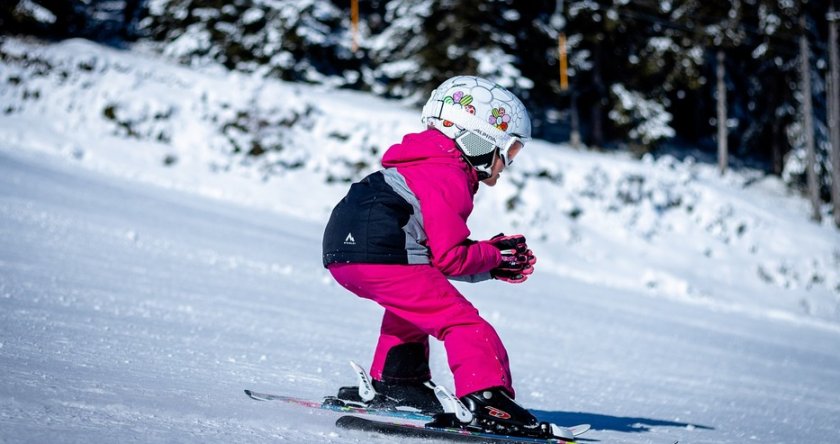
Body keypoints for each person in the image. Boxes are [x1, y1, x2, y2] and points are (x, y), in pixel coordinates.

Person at [322, 76, 542, 435]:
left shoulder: (418, 164)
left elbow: (435, 257)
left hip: (344, 254)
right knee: (463, 324)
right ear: (479, 139)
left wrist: (488, 259)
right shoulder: (448, 173)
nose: (506, 165)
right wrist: (495, 257)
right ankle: (486, 401)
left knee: (412, 305)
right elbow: (450, 258)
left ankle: (400, 381)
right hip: (382, 251)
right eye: (511, 151)